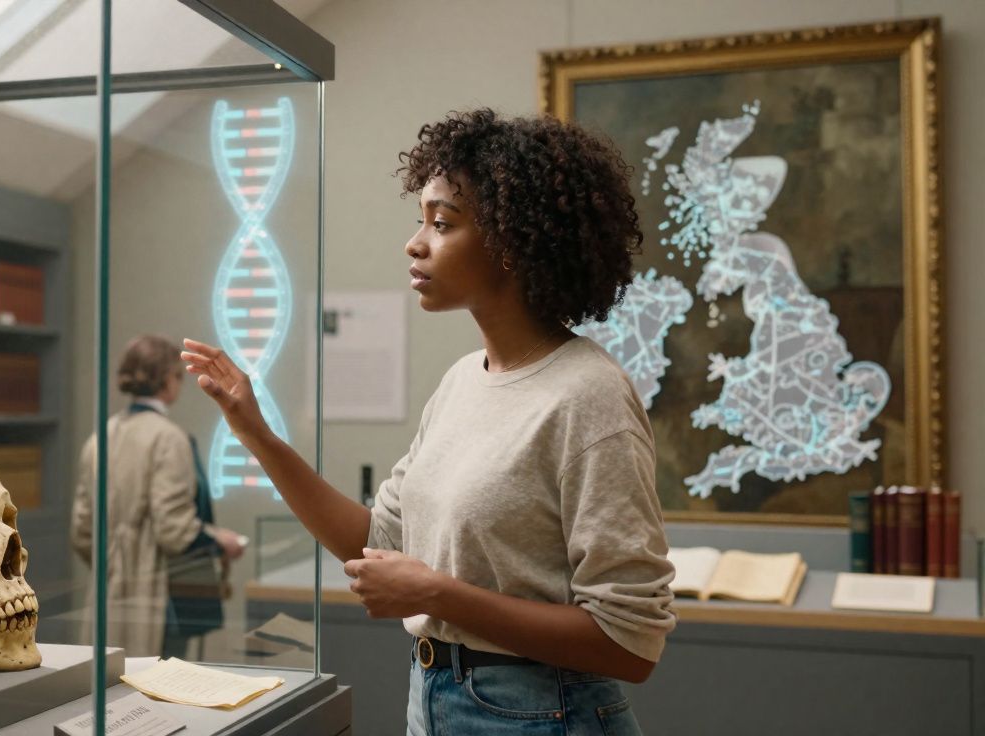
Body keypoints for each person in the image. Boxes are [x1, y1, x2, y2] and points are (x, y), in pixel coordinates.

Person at [182, 109, 675, 734]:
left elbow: (629, 644)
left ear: (515, 241)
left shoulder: (589, 395)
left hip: (541, 712)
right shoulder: (461, 382)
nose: (415, 243)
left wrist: (435, 594)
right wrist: (254, 431)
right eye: (421, 221)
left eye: (442, 223)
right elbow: (376, 544)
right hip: (434, 696)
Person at [72, 334, 245, 658]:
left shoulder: (101, 437)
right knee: (156, 690)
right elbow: (174, 531)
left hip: (107, 594)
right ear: (169, 380)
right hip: (158, 598)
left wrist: (115, 564)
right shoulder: (169, 439)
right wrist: (219, 541)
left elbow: (82, 530)